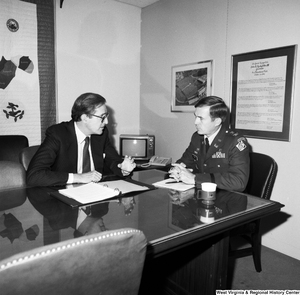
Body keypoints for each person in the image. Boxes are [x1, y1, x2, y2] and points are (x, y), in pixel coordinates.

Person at [27, 92, 136, 187]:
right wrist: (78, 177)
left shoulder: (101, 134)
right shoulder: (58, 134)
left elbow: (112, 161)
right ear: (85, 118)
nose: (106, 122)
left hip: (96, 197)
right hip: (65, 201)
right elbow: (34, 176)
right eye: (102, 117)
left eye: (106, 116)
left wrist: (123, 169)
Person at [169, 96, 250, 192]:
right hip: (201, 196)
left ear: (217, 121)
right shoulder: (197, 137)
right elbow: (184, 162)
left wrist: (195, 179)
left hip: (226, 200)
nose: (195, 122)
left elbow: (238, 182)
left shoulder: (235, 142)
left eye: (201, 118)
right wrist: (177, 170)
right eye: (195, 116)